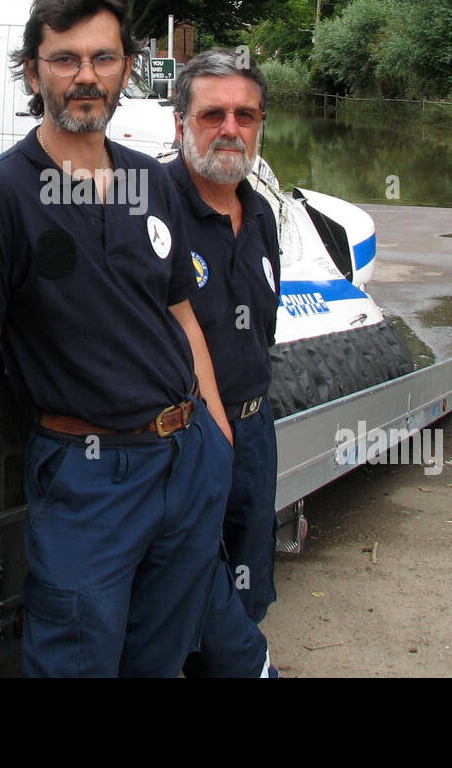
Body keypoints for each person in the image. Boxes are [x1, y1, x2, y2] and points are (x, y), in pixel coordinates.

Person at [0, 0, 239, 677]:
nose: (85, 77)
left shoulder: (153, 180)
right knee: (75, 660)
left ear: (128, 68)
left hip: (185, 458)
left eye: (103, 58)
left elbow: (180, 312)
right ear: (33, 70)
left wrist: (215, 433)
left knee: (160, 656)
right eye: (64, 59)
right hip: (87, 476)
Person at [168, 50, 281, 677]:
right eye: (213, 114)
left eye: (246, 114)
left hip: (255, 431)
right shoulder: (153, 210)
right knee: (182, 592)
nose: (231, 128)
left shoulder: (262, 214)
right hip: (183, 439)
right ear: (180, 123)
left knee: (246, 580)